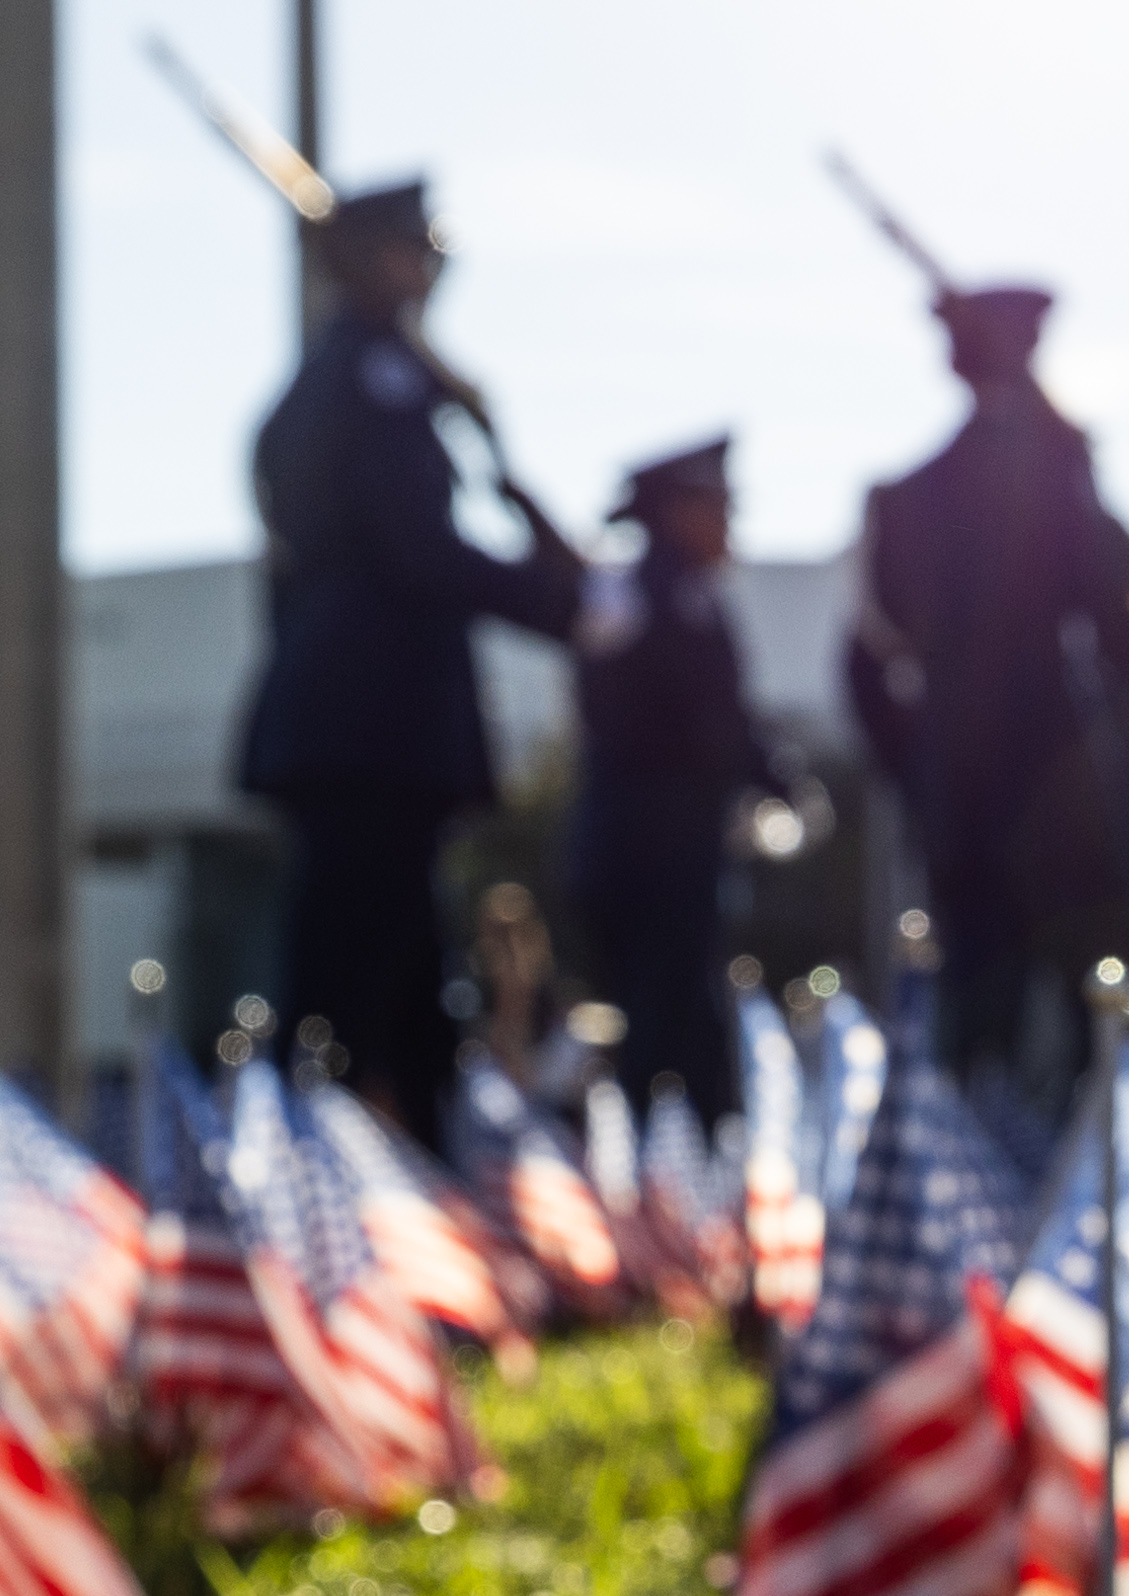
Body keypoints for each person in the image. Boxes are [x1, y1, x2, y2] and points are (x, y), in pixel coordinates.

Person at [237, 181, 585, 1141]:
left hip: (350, 725)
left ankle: (416, 1177)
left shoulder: (341, 379)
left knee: (404, 976)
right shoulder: (373, 382)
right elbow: (417, 551)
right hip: (372, 723)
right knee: (352, 984)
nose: (427, 274)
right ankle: (323, 1182)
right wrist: (567, 603)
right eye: (413, 255)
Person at [844, 287, 1129, 1110]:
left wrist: (911, 766)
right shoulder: (1054, 474)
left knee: (974, 991)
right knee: (1069, 988)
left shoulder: (904, 495)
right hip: (1050, 770)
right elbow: (1117, 602)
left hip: (954, 775)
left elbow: (868, 656)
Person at [566, 439, 785, 1118]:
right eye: (717, 506)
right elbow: (704, 714)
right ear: (677, 509)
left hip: (657, 843)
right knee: (663, 1027)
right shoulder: (654, 592)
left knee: (678, 1015)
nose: (728, 525)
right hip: (652, 846)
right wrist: (770, 777)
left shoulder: (666, 590)